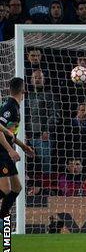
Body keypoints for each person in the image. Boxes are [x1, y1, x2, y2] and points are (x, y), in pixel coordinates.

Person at [0, 78, 35, 217]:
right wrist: (11, 150)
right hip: (2, 151)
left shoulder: (15, 107)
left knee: (17, 188)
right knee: (5, 189)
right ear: (24, 91)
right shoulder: (10, 107)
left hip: (6, 151)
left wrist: (23, 146)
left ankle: (3, 217)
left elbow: (10, 133)